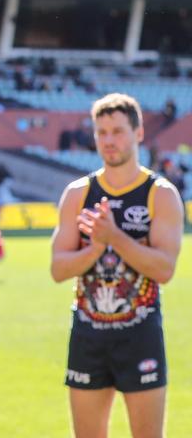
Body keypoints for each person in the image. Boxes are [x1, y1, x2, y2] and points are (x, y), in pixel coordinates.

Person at [51, 94, 183, 438]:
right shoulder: (79, 193)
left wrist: (115, 237)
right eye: (101, 132)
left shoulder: (161, 194)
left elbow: (164, 269)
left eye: (118, 131)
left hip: (140, 334)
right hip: (87, 333)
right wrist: (95, 248)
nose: (109, 141)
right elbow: (58, 269)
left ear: (139, 134)